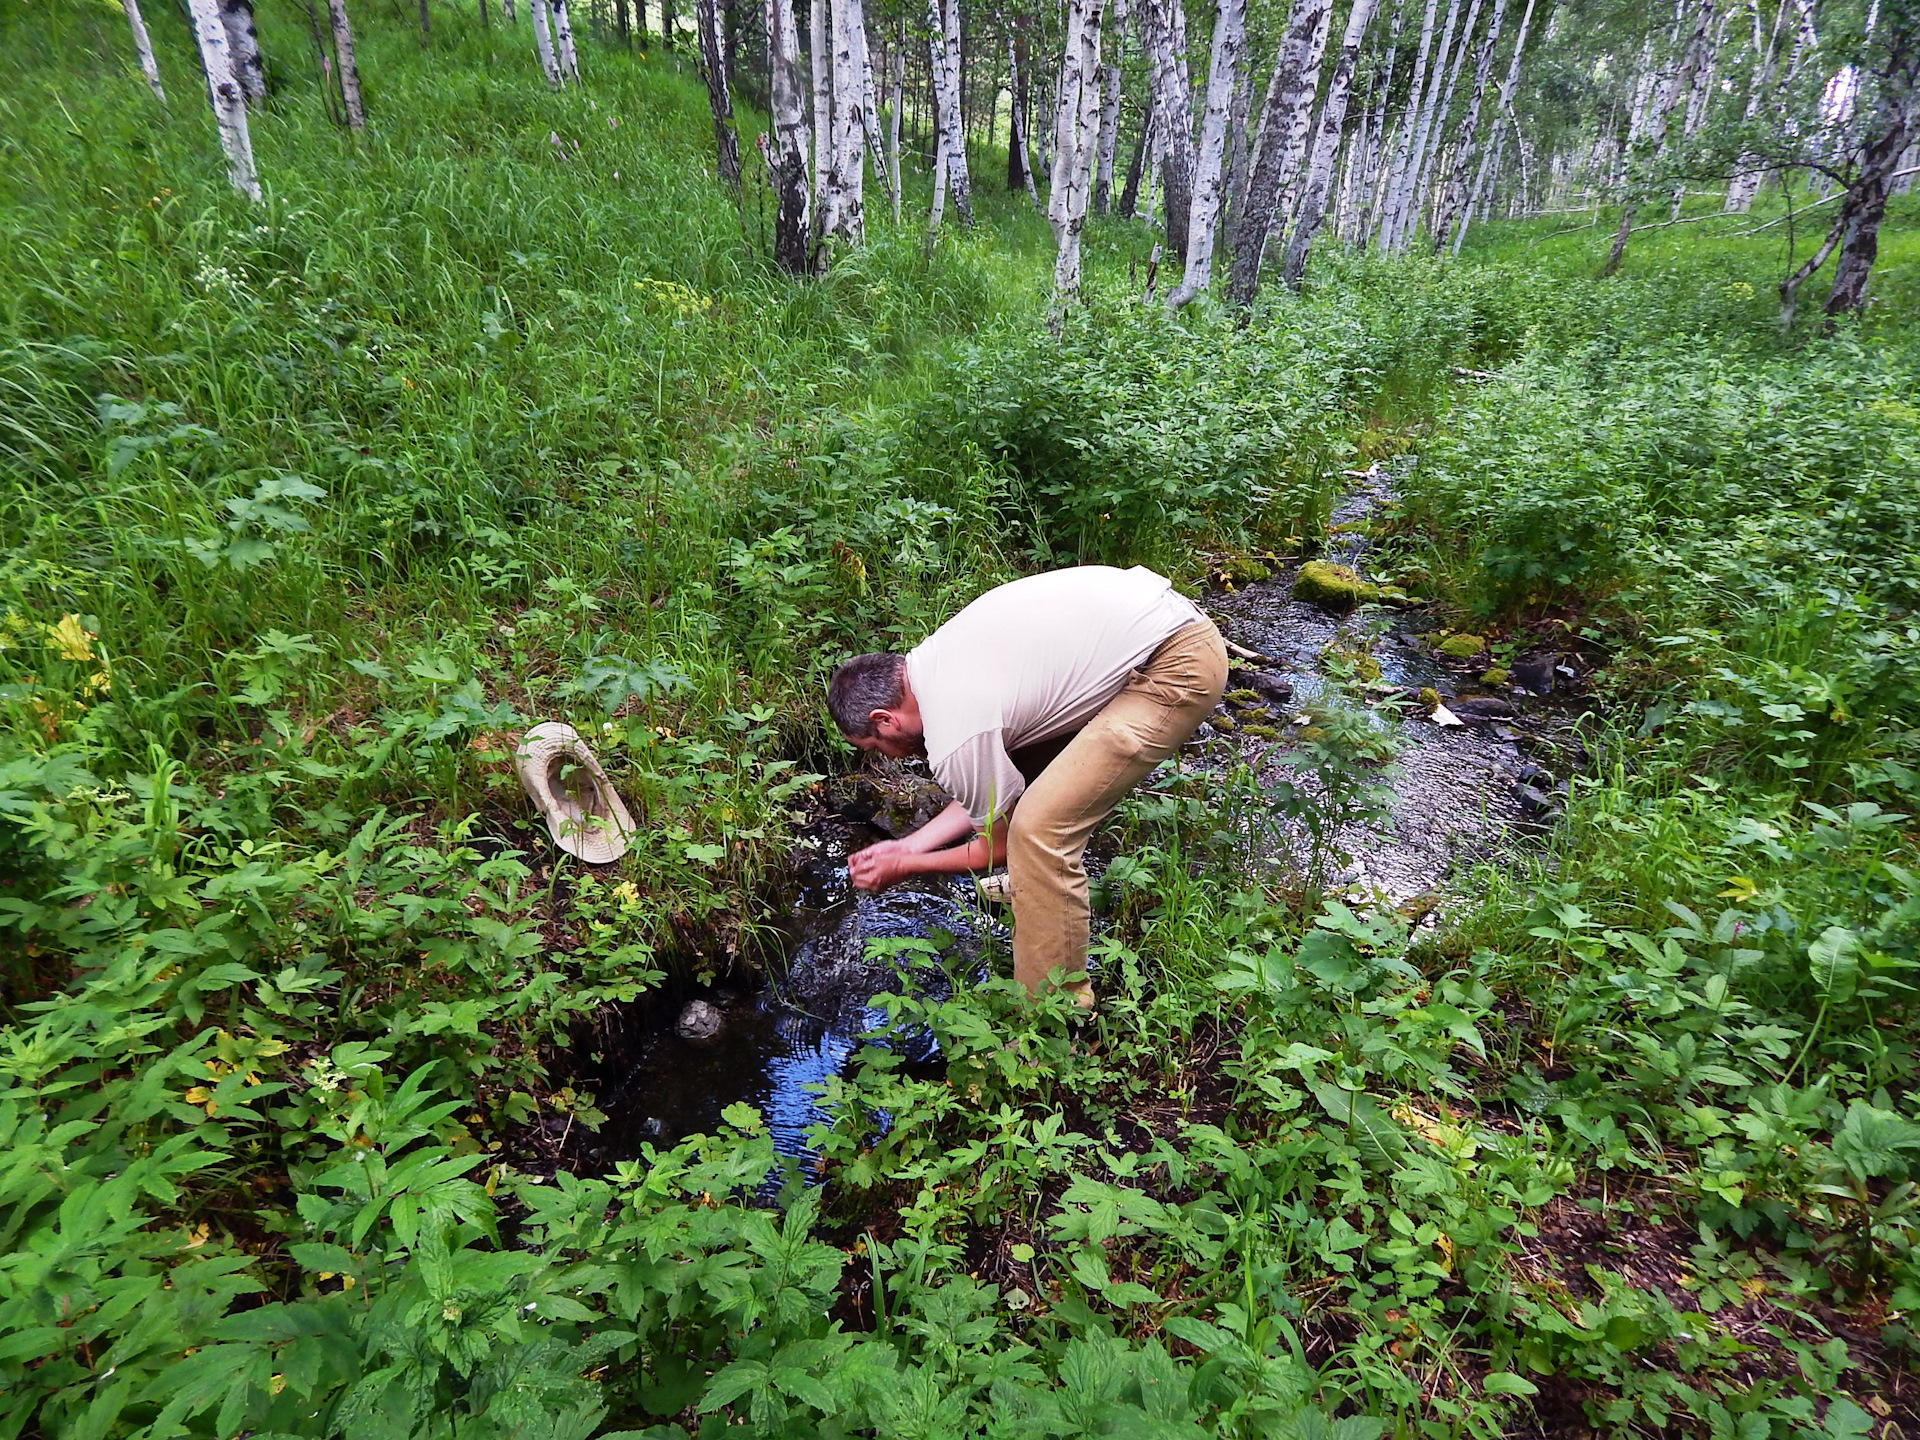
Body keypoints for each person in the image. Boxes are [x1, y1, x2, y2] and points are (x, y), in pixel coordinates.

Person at [825, 565, 1227, 1006]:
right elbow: (988, 790)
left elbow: (995, 846)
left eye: (877, 746)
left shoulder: (956, 732)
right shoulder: (933, 668)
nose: (888, 757)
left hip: (1176, 664)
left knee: (1038, 834)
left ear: (885, 719)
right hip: (1152, 624)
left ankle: (1051, 1012)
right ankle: (1036, 893)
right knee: (1019, 784)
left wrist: (906, 867)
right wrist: (908, 845)